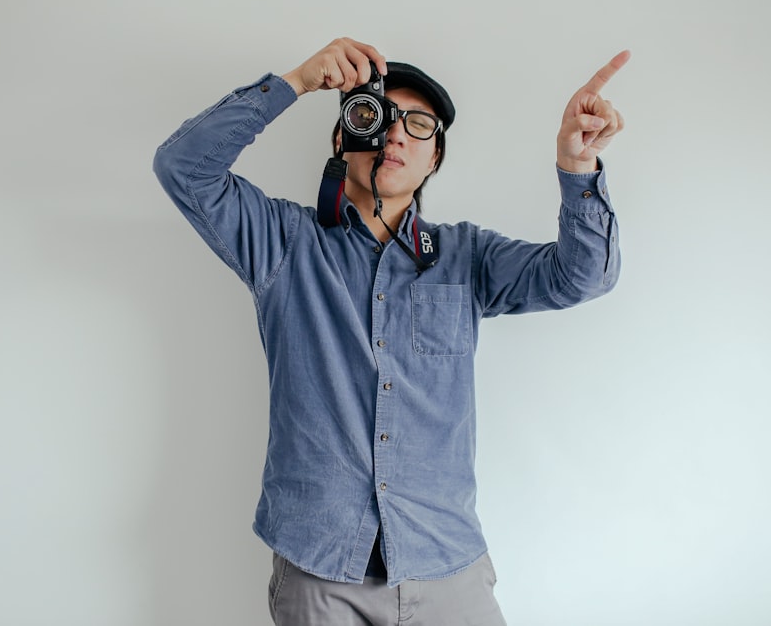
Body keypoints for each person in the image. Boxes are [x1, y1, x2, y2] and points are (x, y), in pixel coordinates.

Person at [153, 37, 628, 625]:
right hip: (320, 570)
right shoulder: (283, 242)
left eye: (418, 125)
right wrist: (297, 81)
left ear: (434, 160)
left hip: (446, 566)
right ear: (343, 139)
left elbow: (584, 276)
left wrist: (577, 165)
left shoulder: (467, 257)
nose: (395, 134)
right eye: (375, 116)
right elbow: (182, 168)